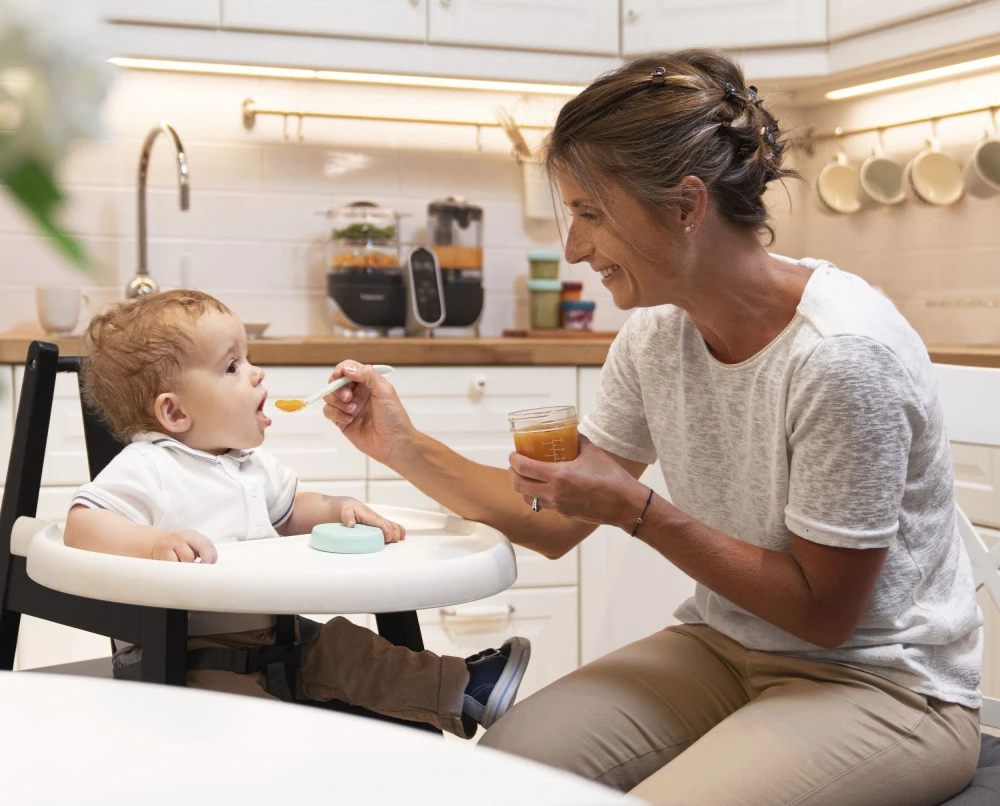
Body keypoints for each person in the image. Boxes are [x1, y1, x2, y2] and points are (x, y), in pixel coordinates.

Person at [321, 50, 983, 806]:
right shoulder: (658, 335)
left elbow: (826, 617)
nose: (574, 247)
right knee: (497, 778)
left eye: (591, 214)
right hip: (726, 648)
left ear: (686, 207)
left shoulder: (842, 357)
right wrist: (402, 446)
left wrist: (640, 512)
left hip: (884, 686)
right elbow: (557, 520)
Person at [63, 289, 530, 735]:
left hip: (280, 637)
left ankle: (463, 689)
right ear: (174, 412)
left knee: (351, 649)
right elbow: (83, 525)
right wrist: (155, 544)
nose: (256, 374)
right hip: (186, 656)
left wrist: (336, 508)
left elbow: (290, 512)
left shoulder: (249, 465)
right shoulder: (150, 466)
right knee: (256, 730)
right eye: (232, 366)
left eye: (248, 358)